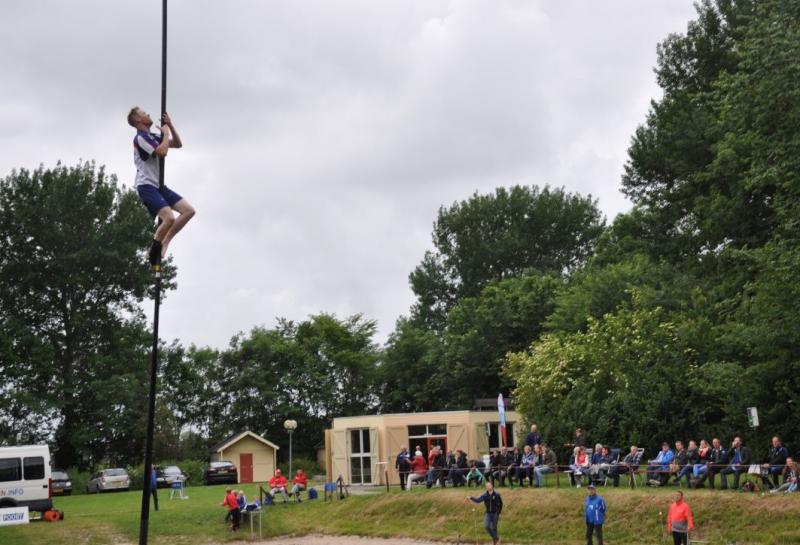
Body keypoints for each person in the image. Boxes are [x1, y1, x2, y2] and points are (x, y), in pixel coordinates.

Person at [127, 107, 195, 265]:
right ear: (138, 120)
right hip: (146, 186)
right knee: (169, 218)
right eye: (144, 113)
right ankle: (153, 248)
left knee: (188, 211)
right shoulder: (140, 138)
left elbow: (177, 144)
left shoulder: (152, 136)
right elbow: (162, 152)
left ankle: (165, 241)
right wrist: (165, 134)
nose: (148, 114)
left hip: (158, 186)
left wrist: (169, 126)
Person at [467, 480, 503, 545]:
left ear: (492, 486)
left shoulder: (497, 494)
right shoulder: (485, 495)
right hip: (488, 513)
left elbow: (500, 504)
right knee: (486, 526)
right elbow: (478, 500)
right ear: (486, 488)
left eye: (489, 485)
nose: (488, 487)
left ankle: (495, 541)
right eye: (487, 486)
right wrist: (471, 498)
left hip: (495, 513)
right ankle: (496, 537)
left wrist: (498, 512)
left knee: (494, 527)